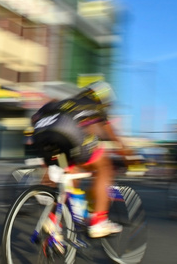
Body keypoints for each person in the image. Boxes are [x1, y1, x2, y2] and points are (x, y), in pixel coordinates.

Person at [31, 80, 129, 238]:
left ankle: (53, 220)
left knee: (71, 172)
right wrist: (125, 151)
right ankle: (98, 221)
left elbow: (35, 117)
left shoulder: (67, 102)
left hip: (42, 136)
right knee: (104, 166)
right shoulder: (95, 105)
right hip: (67, 133)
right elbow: (109, 132)